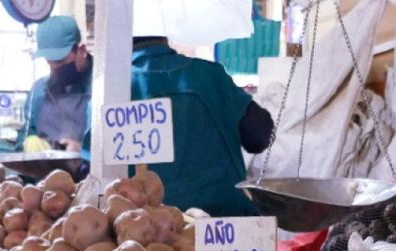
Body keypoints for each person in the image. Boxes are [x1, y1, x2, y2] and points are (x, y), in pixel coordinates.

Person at [86, 37, 274, 216]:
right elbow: (259, 137)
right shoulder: (209, 76)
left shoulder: (107, 90)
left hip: (145, 232)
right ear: (164, 36)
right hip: (225, 227)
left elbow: (90, 170)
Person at [17, 16, 93, 152]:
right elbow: (25, 137)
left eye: (60, 61)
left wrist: (83, 151)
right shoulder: (39, 91)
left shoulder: (104, 87)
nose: (54, 68)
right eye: (49, 61)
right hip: (46, 171)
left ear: (82, 51)